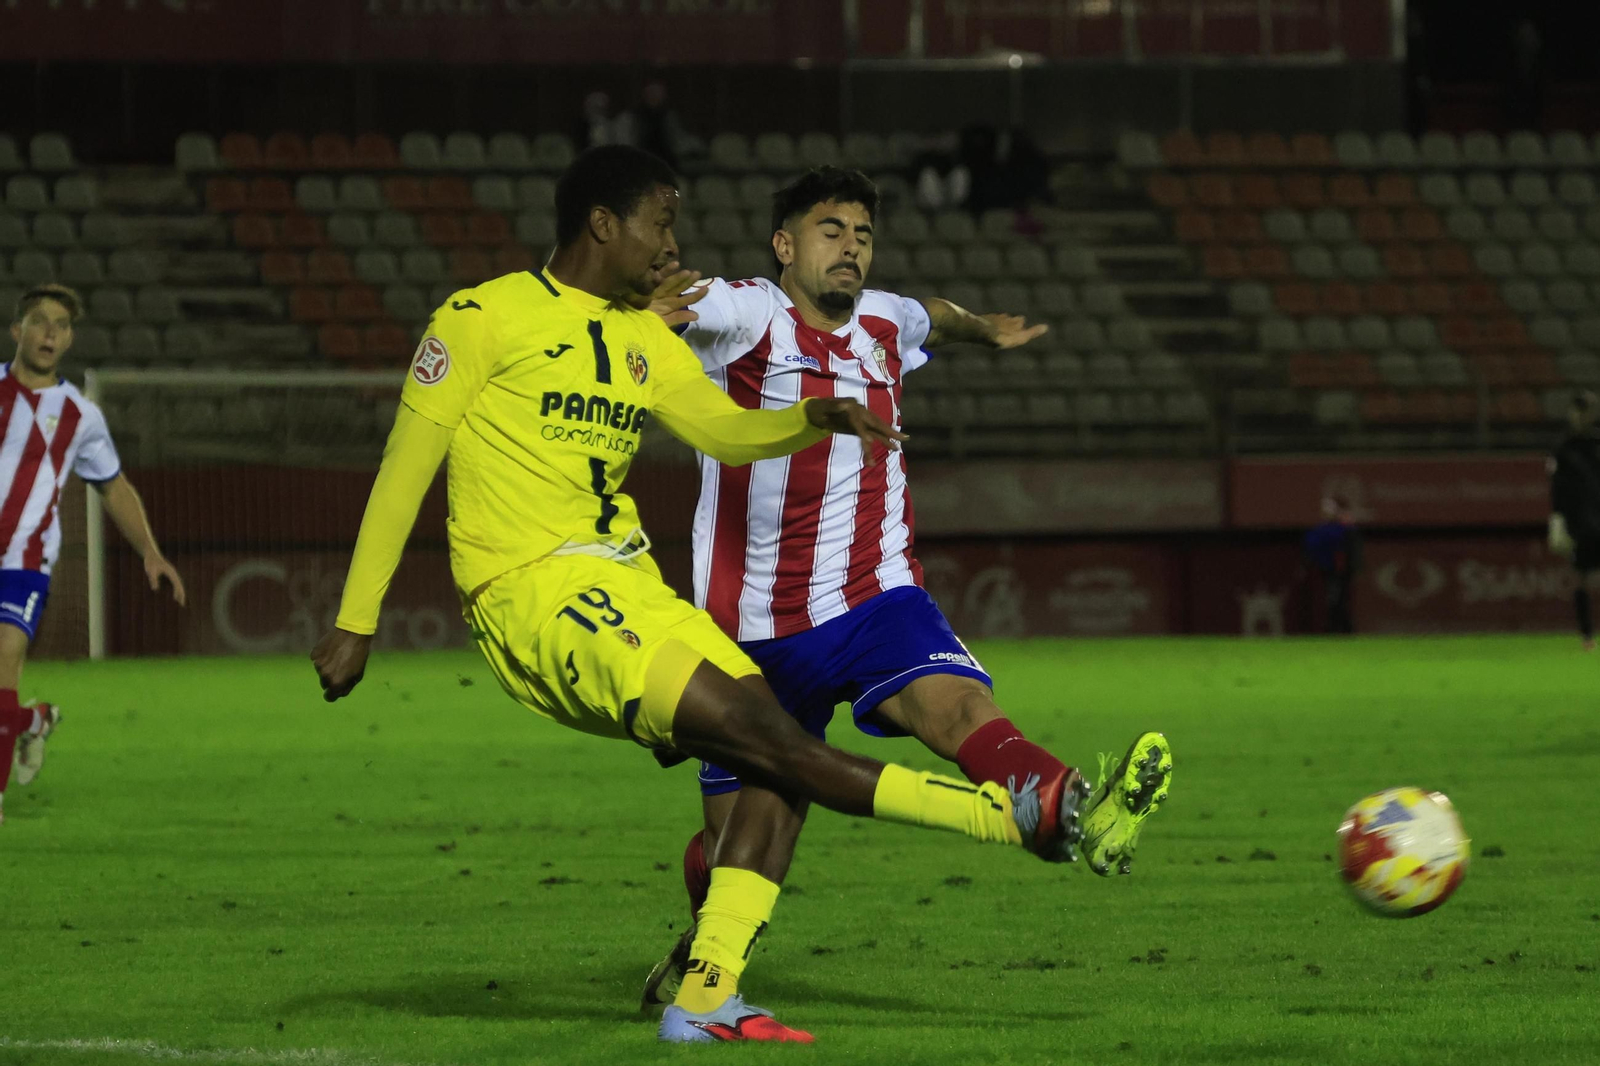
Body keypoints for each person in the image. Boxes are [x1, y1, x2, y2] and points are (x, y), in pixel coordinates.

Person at [309, 147, 1109, 1045]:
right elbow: (402, 468)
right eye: (660, 223)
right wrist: (355, 620)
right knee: (770, 739)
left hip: (629, 583)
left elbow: (724, 432)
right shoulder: (483, 316)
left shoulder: (648, 338)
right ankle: (1005, 818)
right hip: (531, 590)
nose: (672, 245)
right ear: (603, 224)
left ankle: (706, 999)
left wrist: (811, 415)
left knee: (771, 752)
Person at [636, 166, 1174, 1019]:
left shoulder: (887, 318)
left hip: (876, 599)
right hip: (750, 635)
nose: (850, 246)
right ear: (784, 246)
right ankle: (706, 949)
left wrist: (983, 332)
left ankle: (1076, 807)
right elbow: (672, 308)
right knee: (740, 837)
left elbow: (937, 317)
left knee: (956, 706)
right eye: (829, 231)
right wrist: (650, 303)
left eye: (862, 234)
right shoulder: (745, 314)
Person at [0, 283, 187, 826]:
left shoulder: (80, 415)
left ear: (70, 339)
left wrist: (150, 552)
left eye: (60, 324)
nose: (50, 332)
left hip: (25, 562)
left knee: (4, 662)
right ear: (18, 331)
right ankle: (33, 721)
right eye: (39, 321)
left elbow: (114, 487)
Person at [1549, 390, 1600, 650]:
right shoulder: (1564, 449)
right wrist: (1557, 520)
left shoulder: (1597, 444)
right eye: (1579, 409)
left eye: (1587, 409)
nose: (1582, 415)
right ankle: (1587, 635)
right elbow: (1557, 487)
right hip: (1580, 523)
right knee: (1581, 577)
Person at [1303, 495, 1361, 634]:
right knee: (1333, 601)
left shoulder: (1343, 530)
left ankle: (1343, 630)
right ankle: (1334, 629)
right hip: (1328, 570)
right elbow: (1310, 545)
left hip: (1341, 571)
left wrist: (1349, 526)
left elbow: (1351, 549)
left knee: (1338, 601)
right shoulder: (1321, 531)